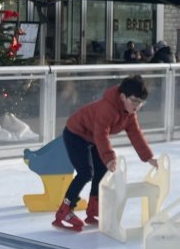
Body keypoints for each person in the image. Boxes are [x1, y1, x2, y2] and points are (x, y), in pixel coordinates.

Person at [52, 75, 159, 231]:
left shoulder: (129, 114)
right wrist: (109, 157)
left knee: (101, 168)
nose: (137, 105)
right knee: (85, 172)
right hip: (76, 133)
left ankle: (94, 208)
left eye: (141, 102)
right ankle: (65, 210)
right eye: (135, 101)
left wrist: (149, 158)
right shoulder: (107, 108)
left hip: (91, 136)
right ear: (123, 97)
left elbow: (136, 134)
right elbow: (101, 133)